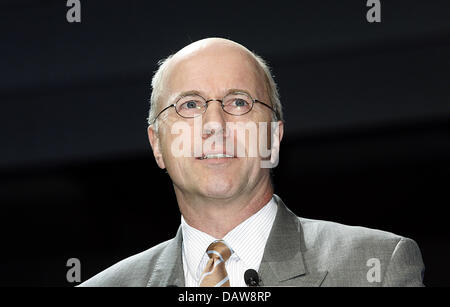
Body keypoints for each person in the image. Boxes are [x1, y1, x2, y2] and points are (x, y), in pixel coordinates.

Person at [80, 38, 425, 287]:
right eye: (190, 105)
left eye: (239, 102)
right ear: (157, 145)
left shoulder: (376, 266)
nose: (214, 123)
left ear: (273, 138)